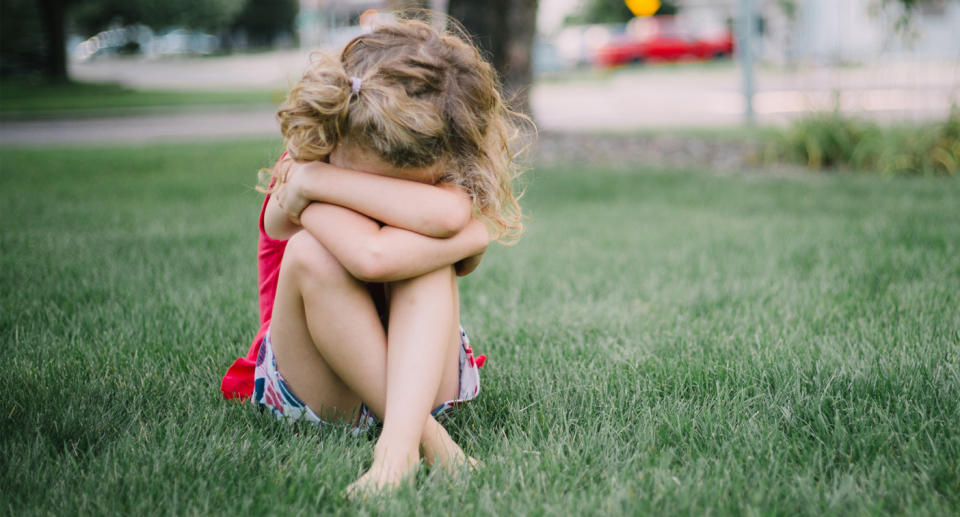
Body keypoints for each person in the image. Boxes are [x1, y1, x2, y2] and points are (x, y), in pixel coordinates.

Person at [219, 17, 529, 495]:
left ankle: (396, 449)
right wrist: (471, 239)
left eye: (399, 189)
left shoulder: (318, 178)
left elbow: (441, 222)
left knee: (424, 268)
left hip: (422, 378)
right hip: (317, 384)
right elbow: (370, 256)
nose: (383, 195)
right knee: (309, 252)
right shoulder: (308, 158)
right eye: (371, 181)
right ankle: (423, 439)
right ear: (338, 137)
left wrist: (318, 185)